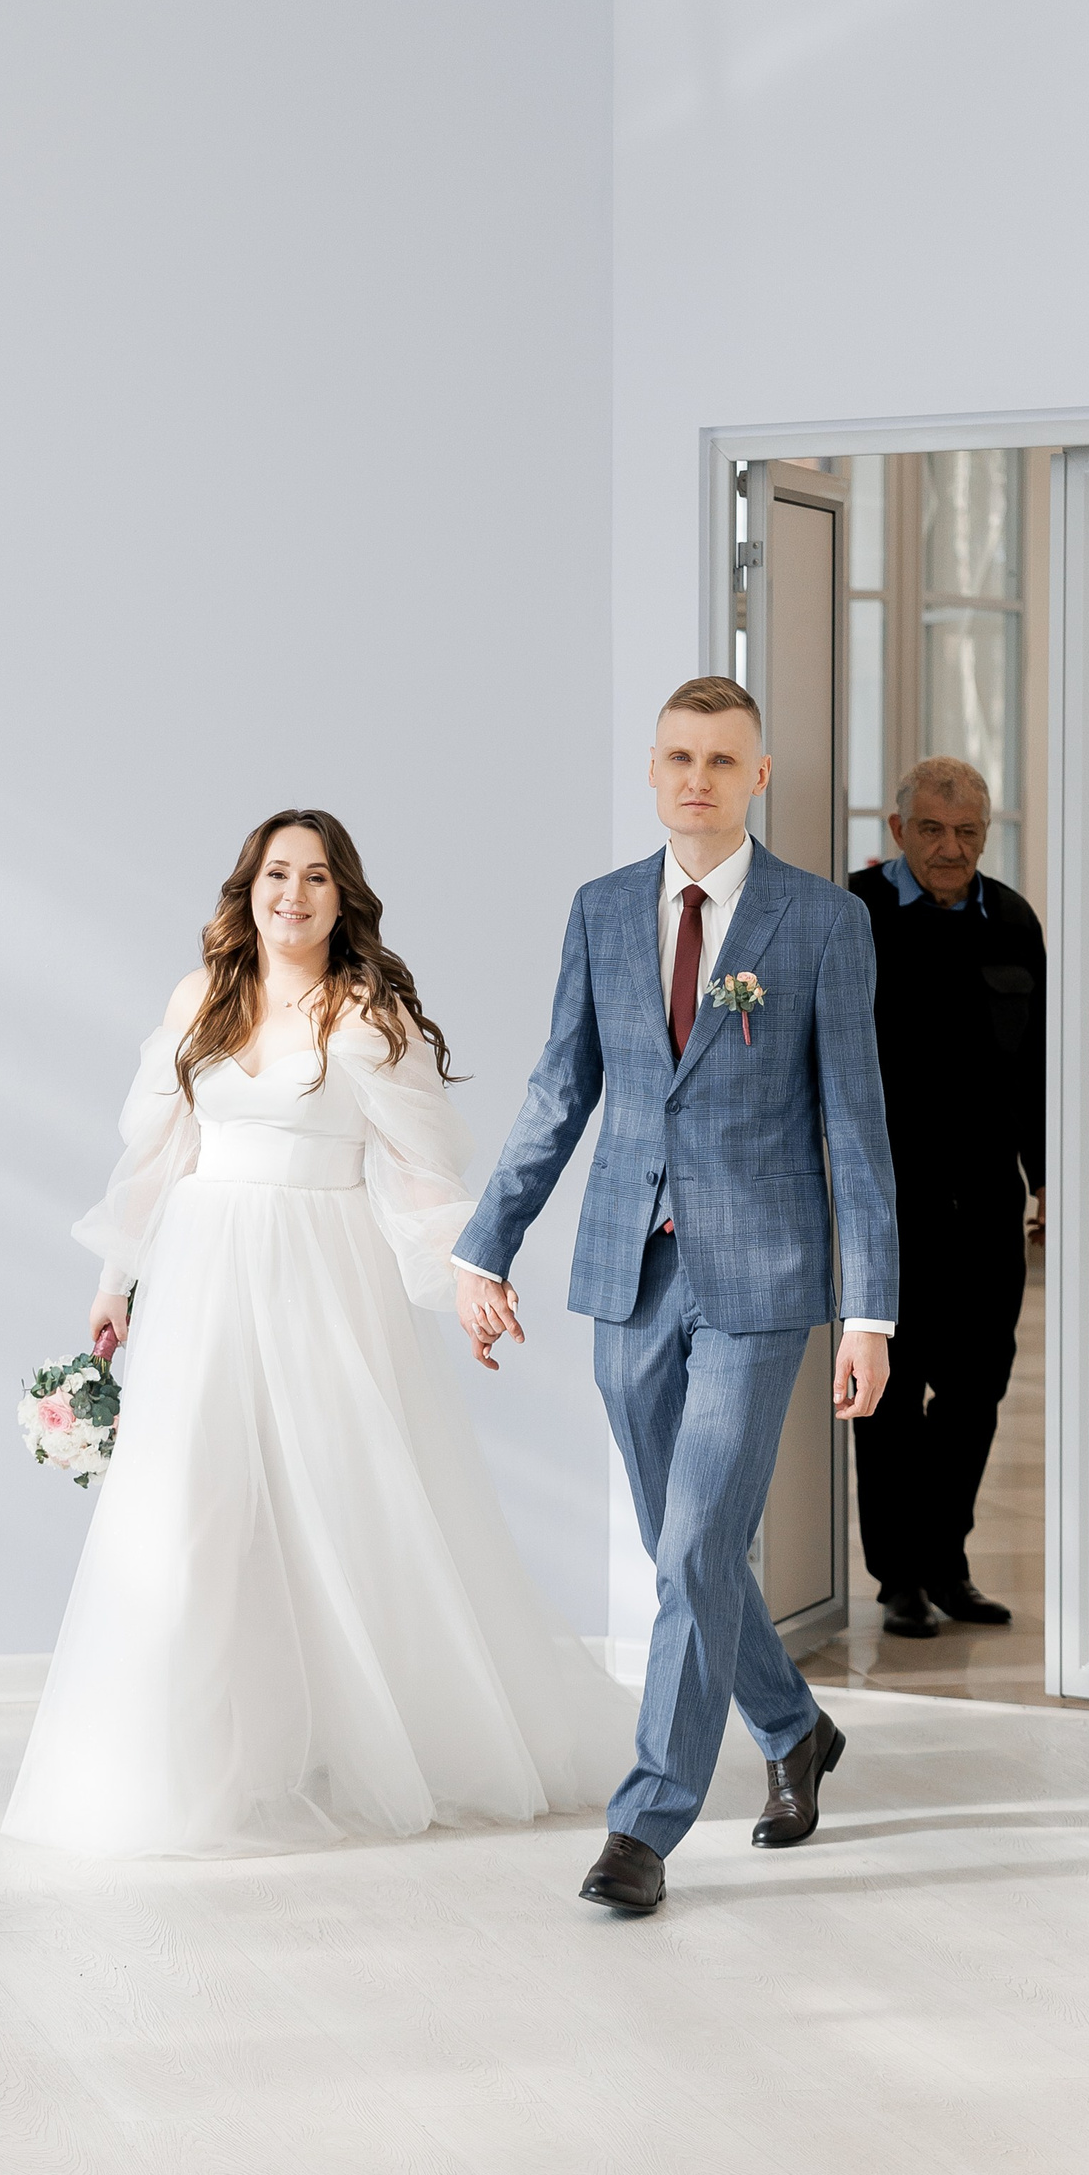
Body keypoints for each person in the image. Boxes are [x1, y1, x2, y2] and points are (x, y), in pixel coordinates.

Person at [3, 809, 628, 1859]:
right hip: (203, 1277)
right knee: (188, 1518)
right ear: (247, 888)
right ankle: (176, 1768)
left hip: (322, 1279)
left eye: (316, 877)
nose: (292, 894)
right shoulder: (199, 998)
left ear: (344, 900)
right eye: (276, 874)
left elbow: (421, 1172)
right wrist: (117, 1280)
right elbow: (159, 1154)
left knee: (345, 1510)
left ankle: (379, 1741)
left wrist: (470, 1274)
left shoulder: (365, 1010)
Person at [452, 677, 898, 1916]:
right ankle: (793, 1727)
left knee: (700, 1541)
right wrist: (487, 1247)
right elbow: (561, 1089)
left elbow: (857, 1125)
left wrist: (871, 1313)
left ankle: (644, 1826)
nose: (698, 778)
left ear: (760, 776)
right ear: (653, 770)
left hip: (763, 1279)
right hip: (628, 1267)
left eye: (722, 759)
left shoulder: (821, 922)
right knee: (680, 1547)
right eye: (678, 757)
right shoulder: (602, 910)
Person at [846, 759, 1046, 1640]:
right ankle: (899, 1578)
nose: (951, 849)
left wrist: (1048, 1179)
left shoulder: (1013, 920)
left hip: (988, 1204)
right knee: (891, 1393)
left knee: (977, 1387)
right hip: (890, 1204)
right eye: (932, 830)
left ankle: (946, 1562)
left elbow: (1038, 1067)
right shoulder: (853, 912)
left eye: (967, 833)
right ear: (899, 831)